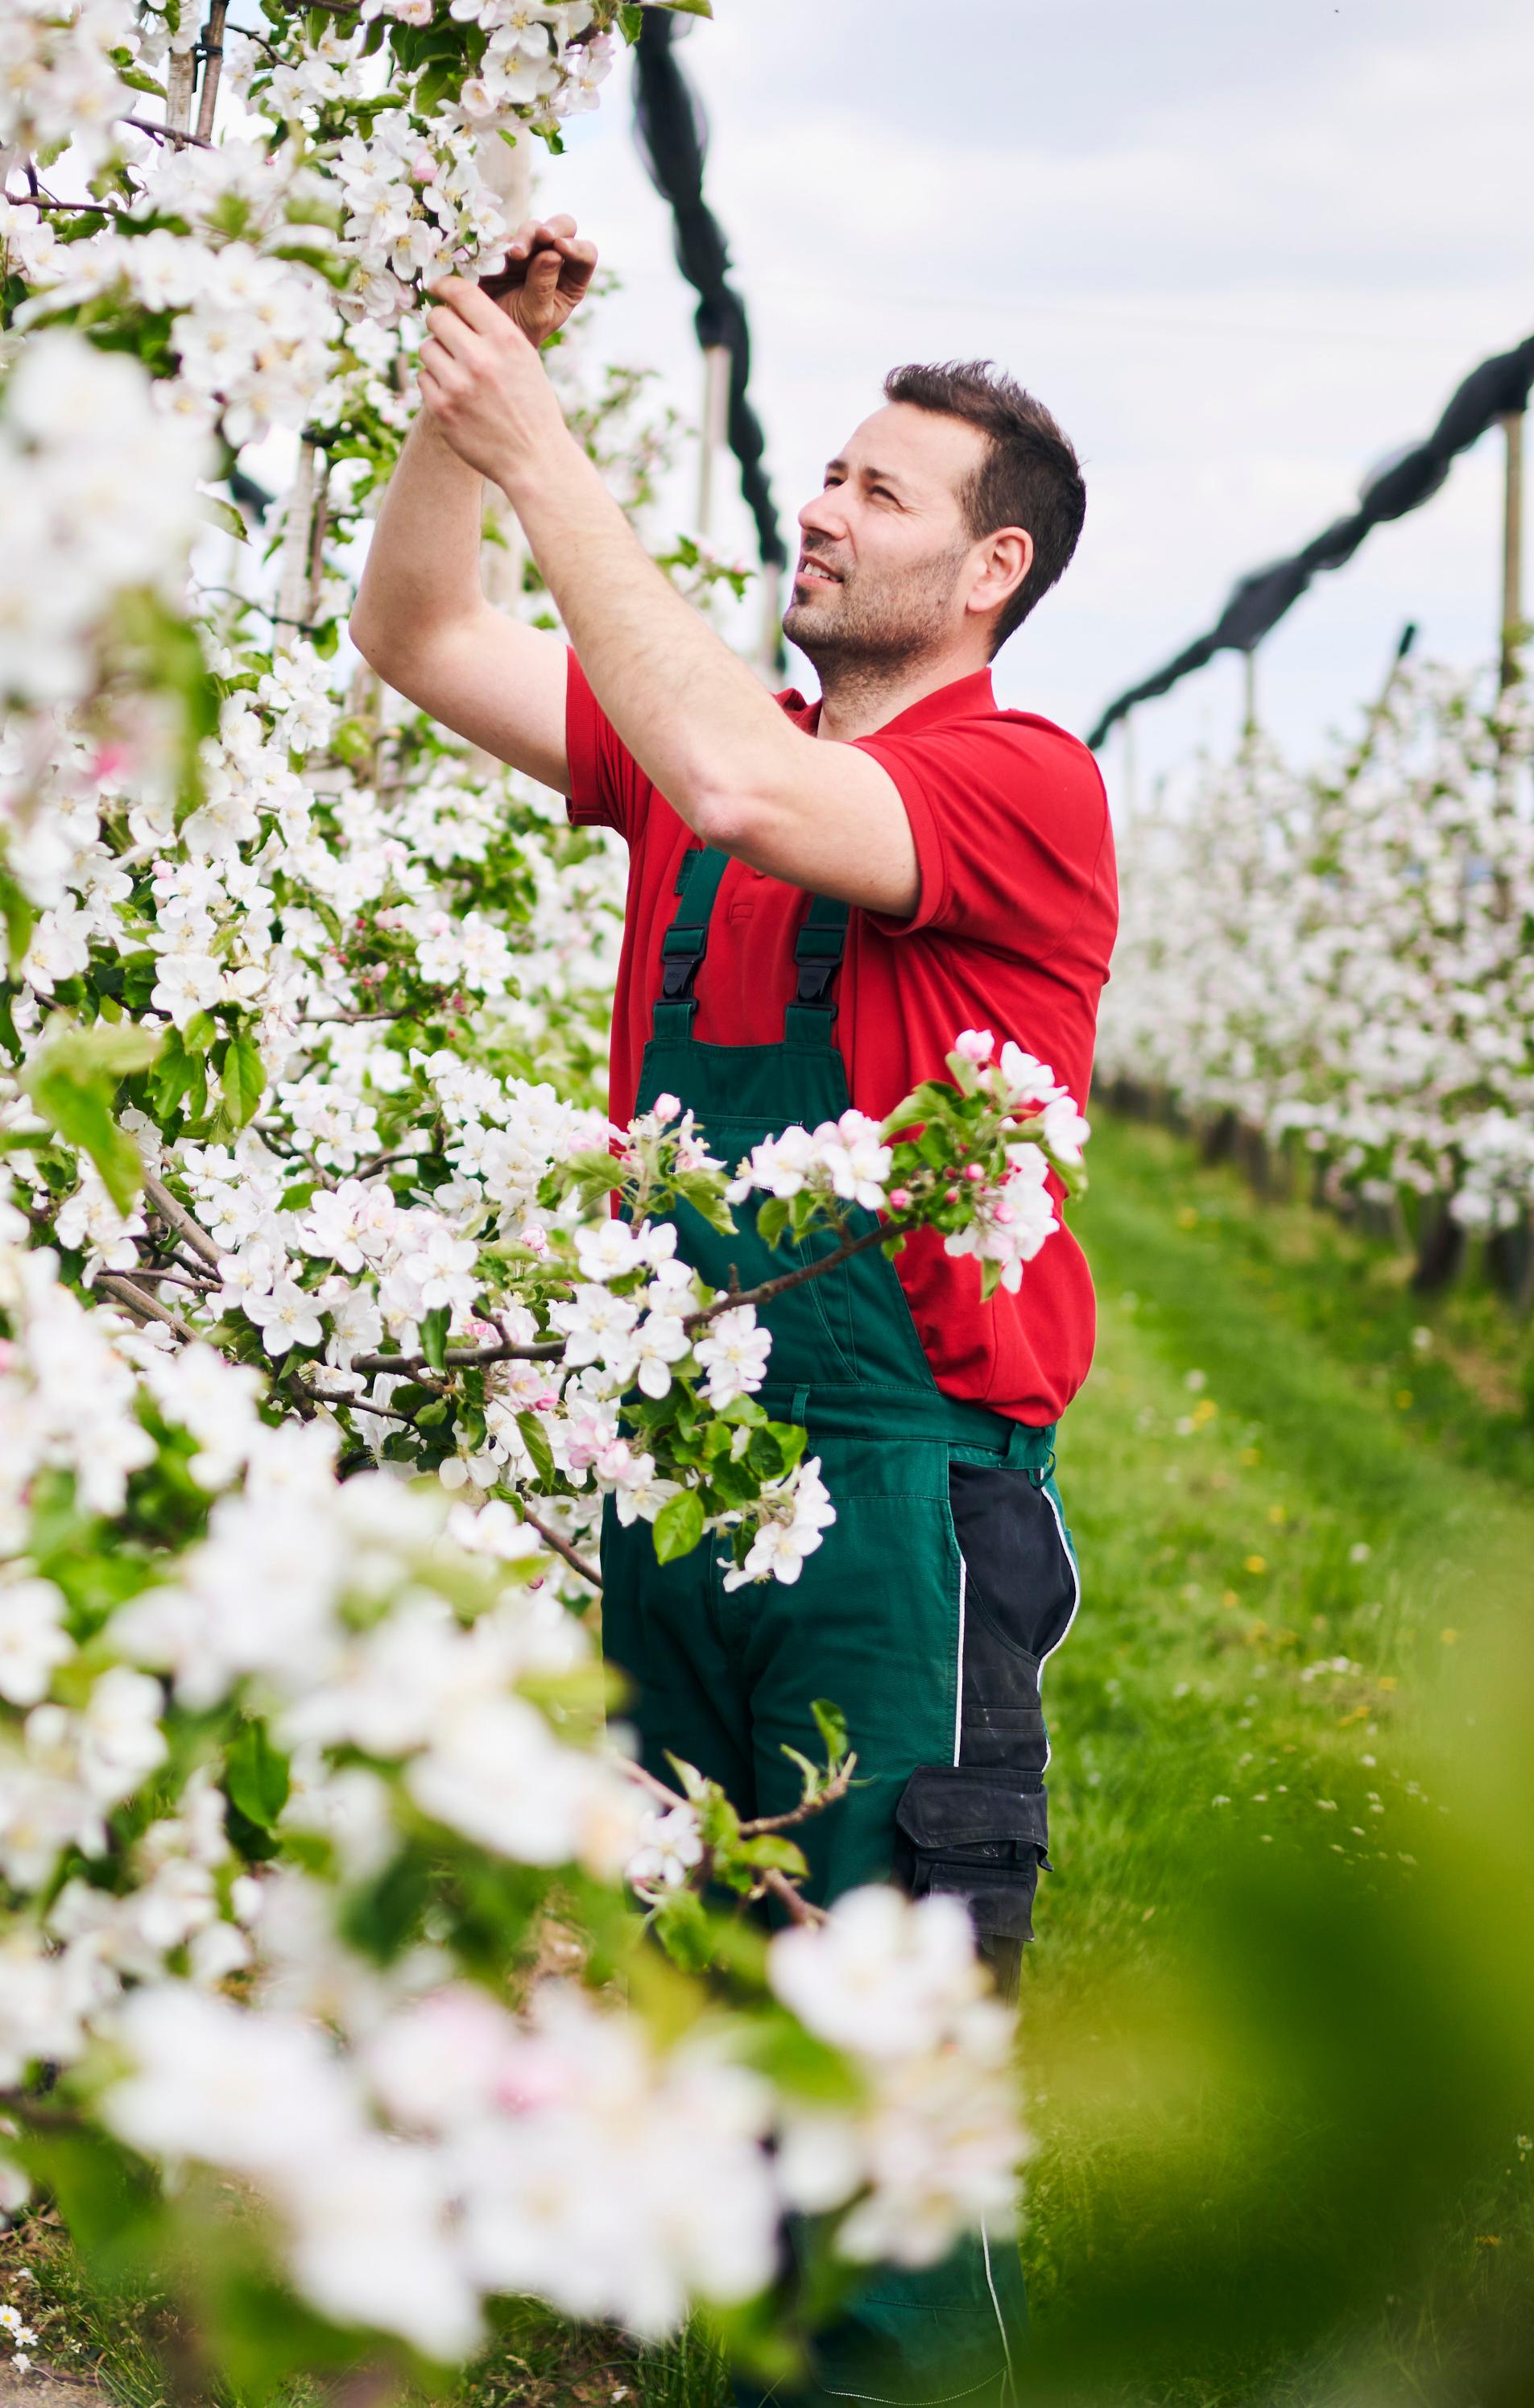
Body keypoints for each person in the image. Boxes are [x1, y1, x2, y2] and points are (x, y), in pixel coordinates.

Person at [349, 220, 1116, 2406]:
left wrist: (549, 446)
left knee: (875, 2103)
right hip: (677, 1473)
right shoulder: (721, 750)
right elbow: (419, 630)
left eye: (881, 490)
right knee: (710, 2028)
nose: (825, 503)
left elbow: (747, 789)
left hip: (892, 1509)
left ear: (986, 573)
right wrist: (463, 413)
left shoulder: (1003, 787)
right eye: (831, 471)